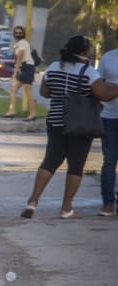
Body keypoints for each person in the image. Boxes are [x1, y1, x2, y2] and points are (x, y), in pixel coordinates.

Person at [21, 36, 105, 220]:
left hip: (55, 120)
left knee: (50, 161)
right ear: (84, 52)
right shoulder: (89, 72)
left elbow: (45, 92)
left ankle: (32, 202)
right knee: (75, 165)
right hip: (79, 123)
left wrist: (61, 93)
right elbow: (102, 94)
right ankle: (66, 208)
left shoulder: (53, 67)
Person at [5, 26, 38, 121]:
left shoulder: (23, 43)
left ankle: (33, 114)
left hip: (27, 67)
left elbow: (20, 56)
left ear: (23, 34)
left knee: (28, 92)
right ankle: (12, 110)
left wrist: (16, 71)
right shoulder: (18, 43)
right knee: (14, 89)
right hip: (24, 67)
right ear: (14, 34)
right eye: (16, 32)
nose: (18, 34)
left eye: (20, 33)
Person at [99, 48, 118, 216]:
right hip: (109, 117)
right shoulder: (108, 57)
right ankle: (107, 203)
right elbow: (99, 84)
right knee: (109, 161)